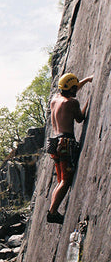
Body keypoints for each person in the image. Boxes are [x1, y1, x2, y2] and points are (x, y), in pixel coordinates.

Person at [46, 73, 93, 224]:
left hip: (54, 143)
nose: (76, 90)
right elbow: (80, 118)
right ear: (71, 88)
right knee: (65, 181)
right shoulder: (72, 103)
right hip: (66, 143)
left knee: (60, 180)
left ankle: (52, 210)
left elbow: (71, 88)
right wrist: (87, 103)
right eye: (75, 87)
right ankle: (52, 212)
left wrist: (86, 80)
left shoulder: (55, 99)